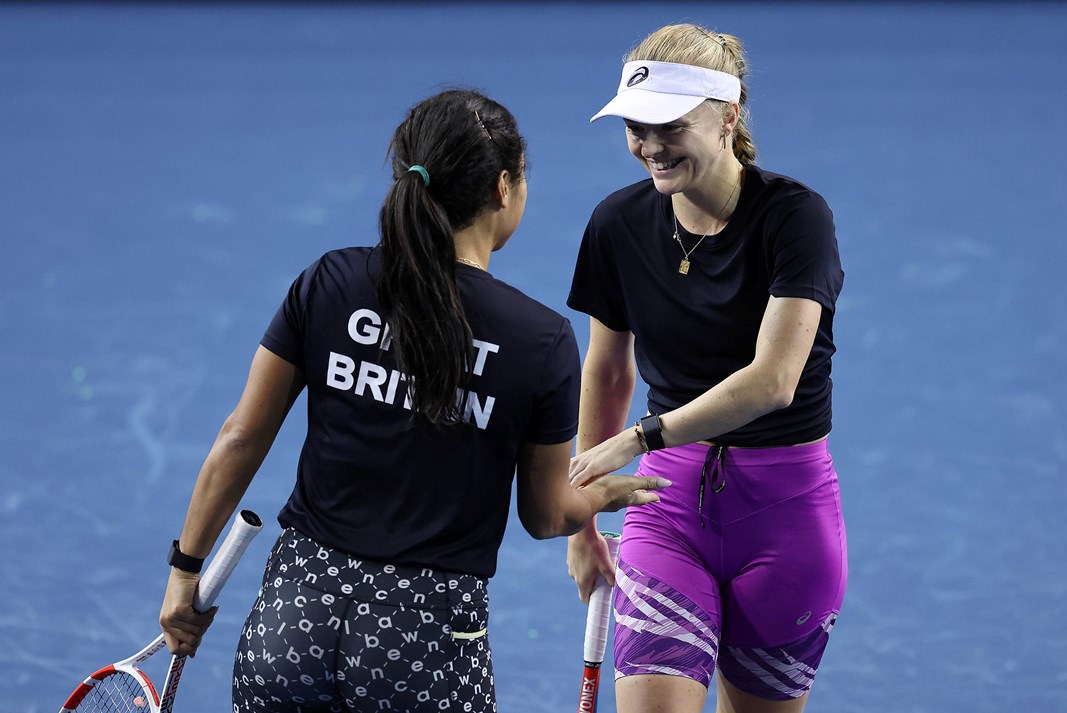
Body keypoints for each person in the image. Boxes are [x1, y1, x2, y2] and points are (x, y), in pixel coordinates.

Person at [158, 88, 670, 713]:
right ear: (502, 188)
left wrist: (186, 570)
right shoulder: (539, 341)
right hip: (422, 646)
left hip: (293, 623)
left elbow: (239, 437)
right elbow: (544, 515)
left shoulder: (329, 281)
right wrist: (606, 493)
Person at [564, 24, 847, 713]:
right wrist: (582, 518)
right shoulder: (617, 223)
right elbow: (605, 374)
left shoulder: (796, 219)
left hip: (785, 517)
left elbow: (773, 381)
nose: (650, 145)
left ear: (728, 117)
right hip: (665, 509)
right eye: (636, 125)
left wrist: (640, 438)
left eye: (669, 124)